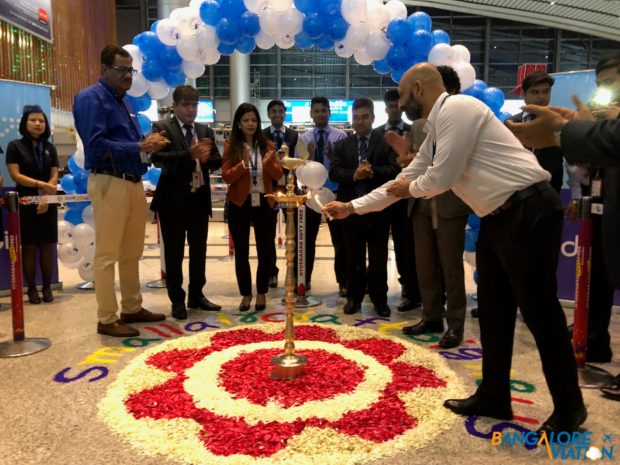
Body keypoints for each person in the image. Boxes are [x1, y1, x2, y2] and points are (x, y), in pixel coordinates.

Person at [325, 63, 586, 435]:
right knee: (495, 314)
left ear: (417, 88)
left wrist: (407, 188)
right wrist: (351, 207)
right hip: (497, 218)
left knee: (541, 314)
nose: (398, 103)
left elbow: (439, 178)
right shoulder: (436, 128)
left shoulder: (460, 108)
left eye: (400, 94)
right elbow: (406, 179)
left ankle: (570, 408)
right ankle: (495, 393)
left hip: (528, 209)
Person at [73, 45, 170, 338]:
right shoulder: (91, 98)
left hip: (132, 181)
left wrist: (148, 144)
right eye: (122, 70)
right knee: (107, 254)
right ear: (104, 69)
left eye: (131, 70)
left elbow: (131, 142)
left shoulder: (124, 102)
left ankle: (131, 306)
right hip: (108, 180)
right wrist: (138, 146)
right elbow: (96, 145)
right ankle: (106, 317)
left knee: (132, 252)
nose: (128, 76)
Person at [385, 65, 471, 349]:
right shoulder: (421, 125)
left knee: (451, 267)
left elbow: (451, 165)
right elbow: (420, 161)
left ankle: (455, 325)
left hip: (450, 204)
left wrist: (411, 163)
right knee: (425, 266)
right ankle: (431, 316)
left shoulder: (462, 118)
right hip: (420, 205)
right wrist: (406, 159)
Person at [150, 85, 222, 320]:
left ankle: (196, 294)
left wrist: (207, 158)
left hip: (199, 198)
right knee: (174, 252)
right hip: (172, 200)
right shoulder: (162, 128)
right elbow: (157, 159)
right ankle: (177, 299)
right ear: (175, 106)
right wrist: (188, 155)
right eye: (186, 104)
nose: (191, 109)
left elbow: (216, 161)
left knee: (199, 250)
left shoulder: (204, 130)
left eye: (194, 104)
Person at [329, 98, 400, 317]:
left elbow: (394, 170)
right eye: (356, 117)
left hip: (378, 211)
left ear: (373, 117)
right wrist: (354, 175)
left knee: (378, 257)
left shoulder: (385, 142)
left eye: (364, 117)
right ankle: (354, 297)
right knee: (353, 256)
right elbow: (334, 173)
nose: (360, 121)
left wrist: (372, 173)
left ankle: (380, 299)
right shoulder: (342, 145)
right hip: (349, 210)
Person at [222, 103, 283, 312]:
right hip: (240, 202)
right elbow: (227, 176)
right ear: (238, 124)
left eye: (254, 120)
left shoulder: (268, 145)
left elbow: (278, 176)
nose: (251, 124)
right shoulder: (231, 145)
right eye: (246, 120)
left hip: (264, 202)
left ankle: (261, 293)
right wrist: (244, 164)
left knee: (265, 250)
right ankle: (246, 294)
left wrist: (267, 163)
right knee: (241, 252)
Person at [373, 90, 421, 312]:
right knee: (377, 247)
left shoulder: (414, 132)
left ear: (402, 107)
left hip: (406, 200)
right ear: (385, 109)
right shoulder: (375, 135)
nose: (393, 109)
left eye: (397, 106)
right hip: (382, 198)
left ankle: (409, 289)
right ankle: (376, 290)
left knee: (405, 248)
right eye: (390, 106)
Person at [6, 105, 59, 304]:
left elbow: (54, 173)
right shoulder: (14, 146)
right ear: (25, 123)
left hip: (48, 200)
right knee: (28, 247)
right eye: (33, 120)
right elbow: (15, 175)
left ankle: (47, 287)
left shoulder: (50, 148)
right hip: (25, 201)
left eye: (41, 121)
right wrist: (41, 185)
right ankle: (31, 289)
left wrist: (46, 194)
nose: (38, 124)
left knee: (47, 246)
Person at [295, 97, 348, 295]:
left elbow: (344, 164)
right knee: (307, 240)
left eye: (323, 110)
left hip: (333, 194)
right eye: (316, 111)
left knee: (339, 241)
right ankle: (304, 279)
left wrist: (334, 156)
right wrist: (307, 157)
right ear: (311, 114)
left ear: (329, 112)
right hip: (310, 196)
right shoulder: (305, 139)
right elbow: (298, 169)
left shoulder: (340, 136)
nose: (320, 114)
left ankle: (343, 282)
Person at [506, 71, 564, 192]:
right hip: (516, 194)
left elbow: (572, 163)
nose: (541, 97)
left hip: (550, 195)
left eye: (546, 91)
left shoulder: (559, 123)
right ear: (523, 93)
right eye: (535, 92)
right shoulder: (511, 124)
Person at [262, 99, 298, 289]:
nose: (277, 114)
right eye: (273, 111)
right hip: (268, 188)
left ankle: (294, 271)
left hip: (290, 187)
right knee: (267, 233)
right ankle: (271, 272)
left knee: (293, 231)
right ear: (268, 115)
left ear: (285, 114)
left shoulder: (293, 135)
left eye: (280, 111)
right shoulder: (262, 135)